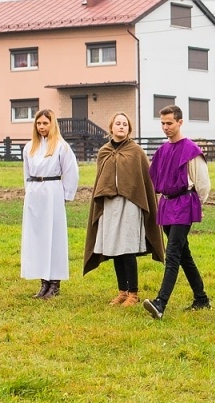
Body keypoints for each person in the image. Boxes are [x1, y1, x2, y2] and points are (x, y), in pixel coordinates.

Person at [82, 112, 163, 306]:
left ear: (129, 129)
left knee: (126, 248)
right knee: (115, 250)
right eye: (117, 123)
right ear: (111, 127)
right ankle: (122, 291)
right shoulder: (104, 152)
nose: (121, 127)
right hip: (110, 205)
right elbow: (101, 180)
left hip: (130, 204)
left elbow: (145, 181)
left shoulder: (136, 152)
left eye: (125, 124)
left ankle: (133, 294)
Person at [144, 105, 214, 318]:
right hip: (166, 205)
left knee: (173, 254)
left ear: (180, 122)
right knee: (184, 254)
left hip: (184, 204)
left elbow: (202, 183)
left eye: (170, 123)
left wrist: (193, 204)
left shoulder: (190, 150)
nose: (166, 127)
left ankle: (160, 303)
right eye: (163, 123)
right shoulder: (162, 151)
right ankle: (201, 299)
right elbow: (155, 179)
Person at [21, 108, 79, 298]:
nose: (42, 127)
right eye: (39, 123)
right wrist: (29, 192)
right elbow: (27, 173)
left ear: (52, 124)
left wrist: (66, 195)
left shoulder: (61, 147)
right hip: (35, 193)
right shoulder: (30, 147)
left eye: (45, 123)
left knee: (53, 237)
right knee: (38, 238)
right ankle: (43, 281)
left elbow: (71, 171)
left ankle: (54, 282)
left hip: (53, 192)